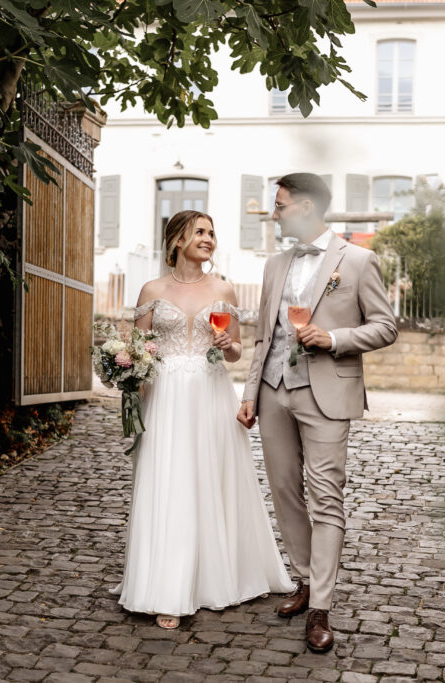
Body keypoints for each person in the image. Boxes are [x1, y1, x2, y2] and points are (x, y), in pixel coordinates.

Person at [237, 173, 398, 652]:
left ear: (305, 207)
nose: (274, 212)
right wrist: (249, 392)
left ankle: (322, 607)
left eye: (280, 205)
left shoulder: (359, 261)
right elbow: (265, 338)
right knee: (285, 492)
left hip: (326, 393)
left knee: (326, 497)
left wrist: (335, 339)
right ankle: (304, 581)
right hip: (272, 392)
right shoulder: (274, 266)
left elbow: (386, 326)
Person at [112, 210, 294, 629]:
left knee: (211, 478)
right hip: (166, 396)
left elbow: (234, 353)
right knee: (169, 481)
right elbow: (140, 352)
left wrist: (229, 344)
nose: (209, 238)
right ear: (177, 240)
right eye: (200, 232)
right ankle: (166, 588)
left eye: (212, 232)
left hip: (211, 393)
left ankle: (218, 576)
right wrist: (133, 404)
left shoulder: (223, 287)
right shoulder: (152, 289)